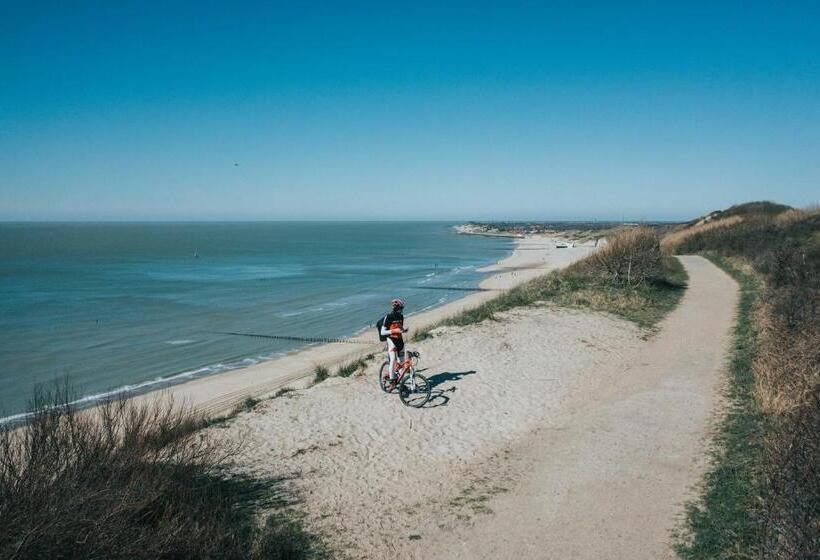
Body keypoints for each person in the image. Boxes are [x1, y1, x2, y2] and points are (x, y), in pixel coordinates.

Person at [381, 298, 407, 386]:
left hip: (400, 340)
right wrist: (394, 331)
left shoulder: (401, 316)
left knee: (402, 361)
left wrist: (403, 330)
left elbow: (400, 327)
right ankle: (392, 381)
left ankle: (401, 383)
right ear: (396, 308)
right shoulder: (389, 317)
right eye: (400, 308)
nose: (402, 310)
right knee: (393, 359)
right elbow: (382, 332)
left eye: (402, 308)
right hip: (391, 340)